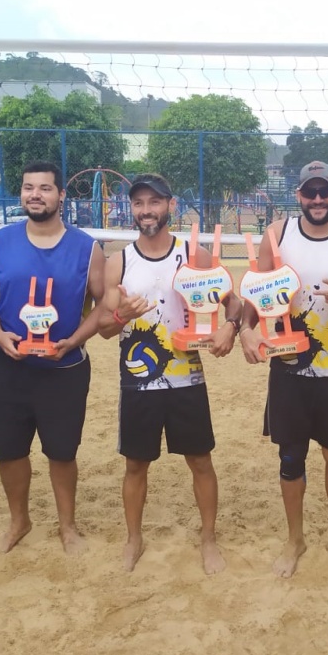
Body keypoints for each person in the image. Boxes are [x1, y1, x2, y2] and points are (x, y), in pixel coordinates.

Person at [240, 161, 328, 578]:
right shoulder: (277, 235)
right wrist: (246, 329)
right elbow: (256, 293)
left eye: (325, 191)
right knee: (291, 457)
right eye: (309, 192)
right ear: (298, 194)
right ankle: (295, 540)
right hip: (289, 368)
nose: (317, 199)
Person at [99, 173, 240, 575]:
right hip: (138, 380)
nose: (146, 210)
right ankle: (134, 539)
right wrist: (120, 316)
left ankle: (208, 539)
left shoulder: (194, 255)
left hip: (187, 379)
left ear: (170, 205)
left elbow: (234, 303)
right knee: (135, 465)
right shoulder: (119, 262)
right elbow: (105, 328)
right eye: (139, 203)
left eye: (154, 202)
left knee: (200, 461)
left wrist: (230, 328)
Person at [0, 161, 105, 555]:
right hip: (10, 364)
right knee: (8, 450)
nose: (35, 195)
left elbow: (104, 304)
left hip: (65, 367)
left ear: (61, 195)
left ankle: (68, 527)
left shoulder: (87, 248)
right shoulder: (1, 241)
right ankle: (20, 520)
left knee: (62, 452)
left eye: (45, 188)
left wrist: (75, 339)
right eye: (29, 187)